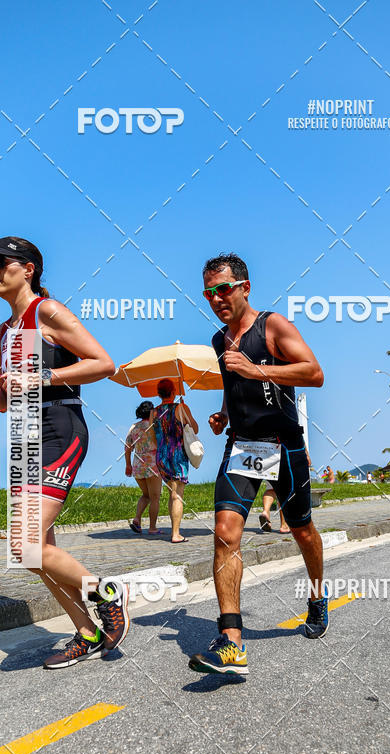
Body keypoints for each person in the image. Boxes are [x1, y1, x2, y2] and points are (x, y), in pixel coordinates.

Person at [0, 236, 129, 669]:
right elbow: (4, 401)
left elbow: (103, 363)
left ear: (28, 269)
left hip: (60, 428)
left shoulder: (47, 312)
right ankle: (87, 631)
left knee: (24, 542)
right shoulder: (2, 333)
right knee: (32, 550)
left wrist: (42, 375)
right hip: (24, 435)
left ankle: (105, 591)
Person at [188, 253, 325, 677]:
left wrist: (257, 368)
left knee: (301, 530)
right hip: (241, 446)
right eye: (209, 292)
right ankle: (232, 641)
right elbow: (233, 383)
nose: (216, 299)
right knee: (226, 535)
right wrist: (224, 413)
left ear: (244, 288)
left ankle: (317, 595)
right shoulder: (218, 340)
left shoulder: (274, 326)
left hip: (284, 446)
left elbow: (314, 373)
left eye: (223, 289)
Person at [152, 378, 199, 543]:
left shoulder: (154, 412)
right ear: (173, 392)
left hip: (161, 455)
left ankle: (174, 530)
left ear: (159, 394)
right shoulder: (181, 407)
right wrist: (185, 411)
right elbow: (195, 428)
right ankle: (176, 534)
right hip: (177, 454)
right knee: (177, 494)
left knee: (172, 492)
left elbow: (152, 437)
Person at [124, 400, 162, 534]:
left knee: (146, 495)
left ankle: (137, 519)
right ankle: (152, 528)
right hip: (153, 464)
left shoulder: (134, 427)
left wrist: (128, 465)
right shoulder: (155, 426)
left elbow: (128, 448)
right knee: (155, 497)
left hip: (138, 464)